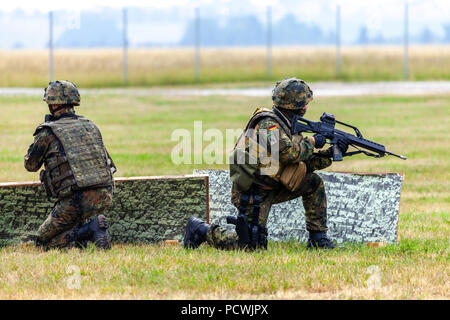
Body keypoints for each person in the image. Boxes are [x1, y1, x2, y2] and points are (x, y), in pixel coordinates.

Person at [184, 77, 348, 250]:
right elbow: (289, 155)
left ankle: (318, 239)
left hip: (274, 184)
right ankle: (201, 230)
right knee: (249, 246)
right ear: (296, 105)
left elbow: (303, 164)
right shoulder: (268, 124)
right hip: (254, 192)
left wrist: (331, 153)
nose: (306, 107)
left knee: (313, 182)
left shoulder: (289, 126)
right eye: (304, 103)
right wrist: (313, 142)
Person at [24, 80, 116, 250]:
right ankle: (90, 233)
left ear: (53, 104)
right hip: (104, 195)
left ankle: (89, 230)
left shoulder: (47, 131)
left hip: (75, 200)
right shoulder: (90, 125)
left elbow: (31, 165)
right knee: (70, 221)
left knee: (43, 241)